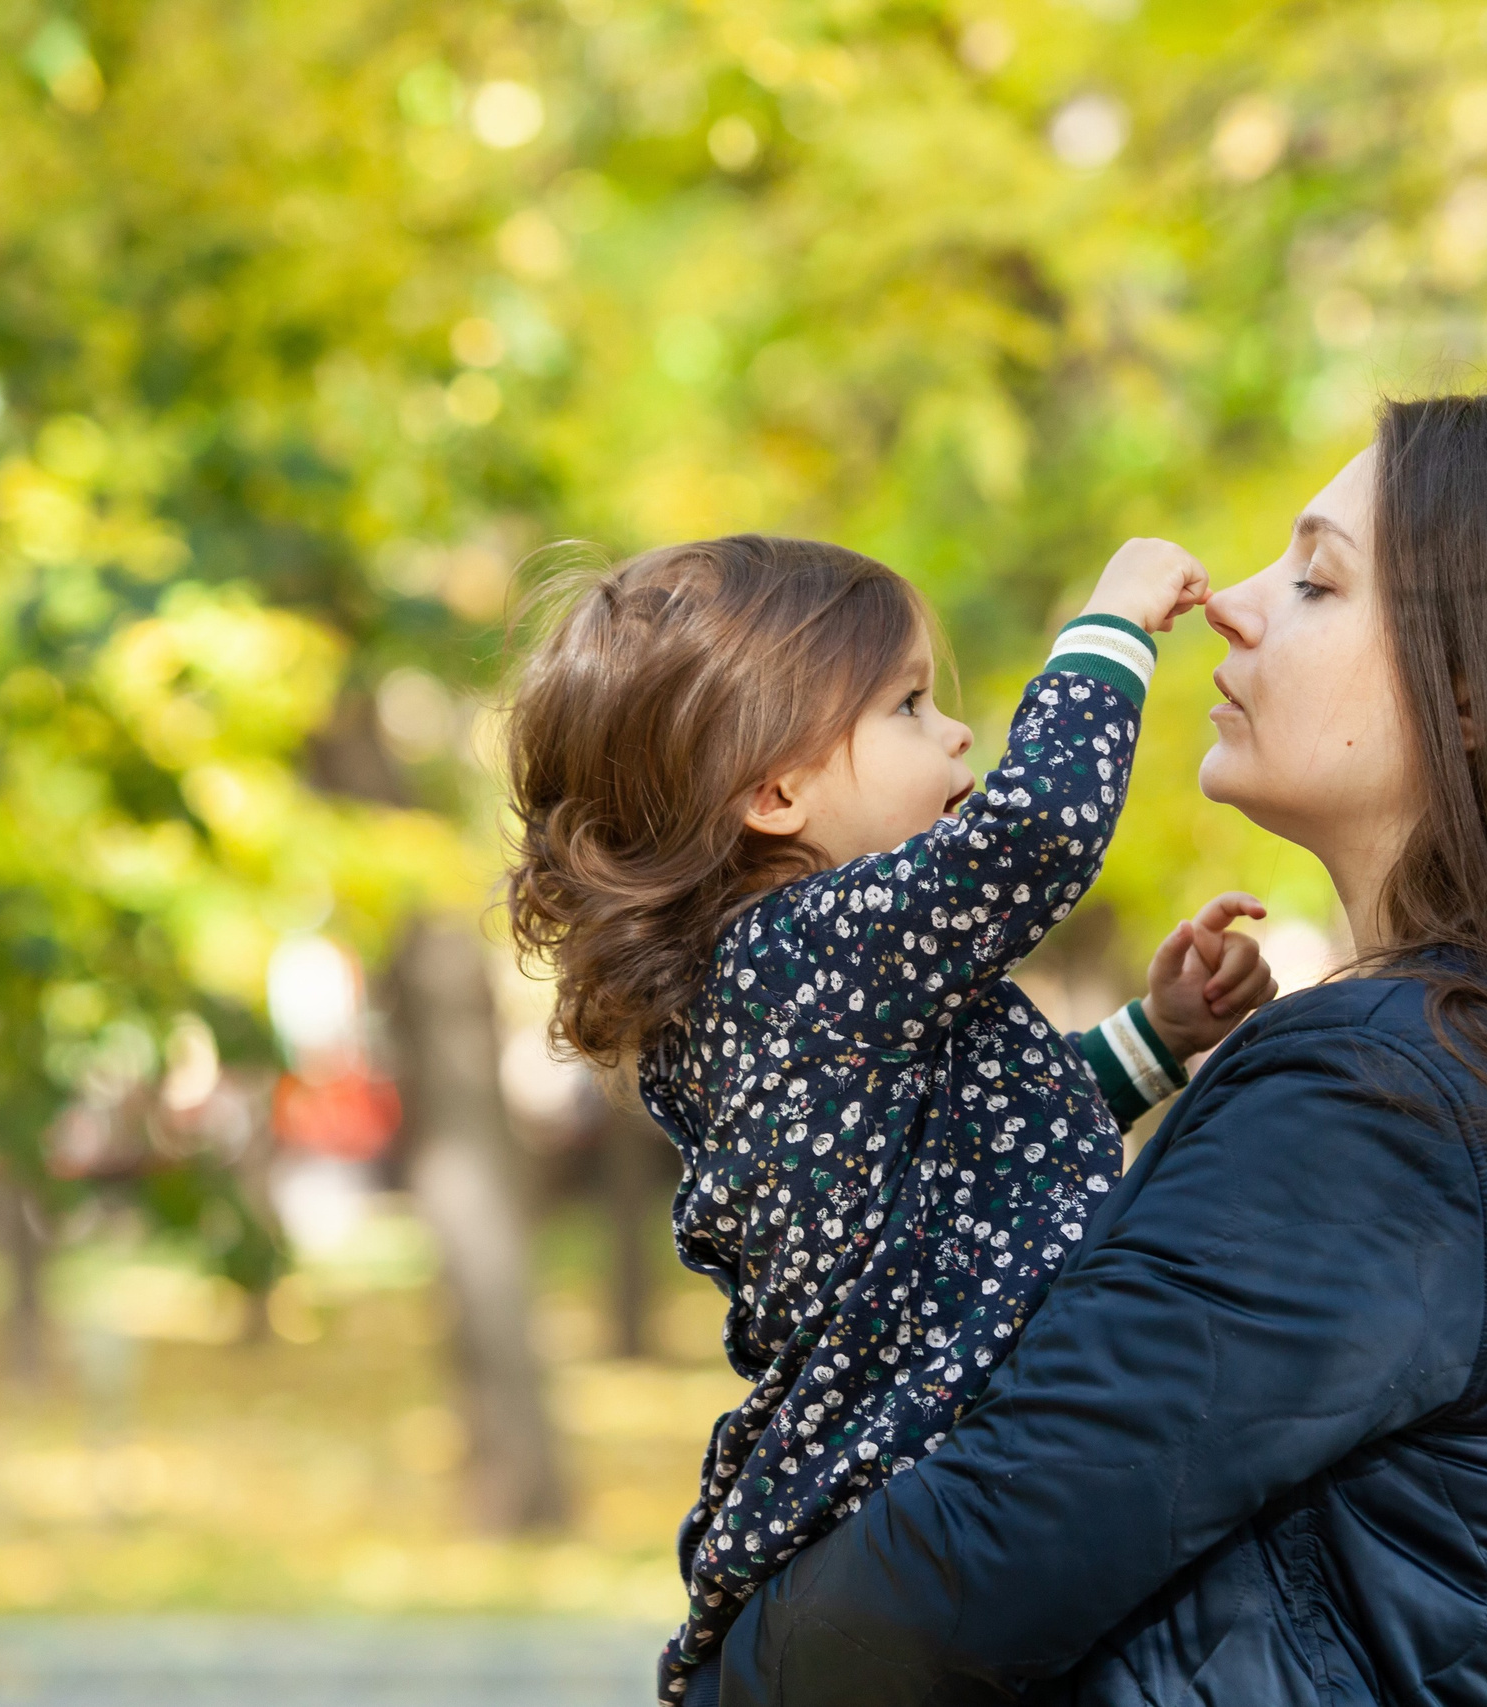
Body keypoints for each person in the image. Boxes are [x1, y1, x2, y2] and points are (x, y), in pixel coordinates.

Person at [711, 394, 1487, 1706]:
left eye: (1315, 580)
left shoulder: (1388, 1100)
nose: (1235, 603)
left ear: (1472, 692)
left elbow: (945, 1586)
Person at [502, 534, 1279, 1704]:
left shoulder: (769, 983)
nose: (957, 730)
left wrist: (1152, 1042)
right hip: (939, 1433)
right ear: (775, 795)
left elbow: (982, 1152)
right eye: (909, 704)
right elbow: (1036, 833)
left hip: (905, 1439)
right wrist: (1109, 624)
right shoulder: (815, 941)